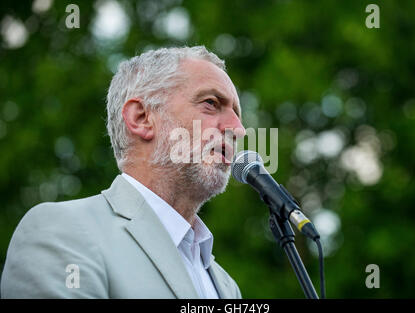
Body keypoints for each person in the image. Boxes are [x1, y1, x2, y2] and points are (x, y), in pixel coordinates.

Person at [1, 46, 246, 298]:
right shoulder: (61, 232)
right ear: (141, 118)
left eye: (237, 115)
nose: (237, 129)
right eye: (211, 103)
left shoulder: (227, 287)